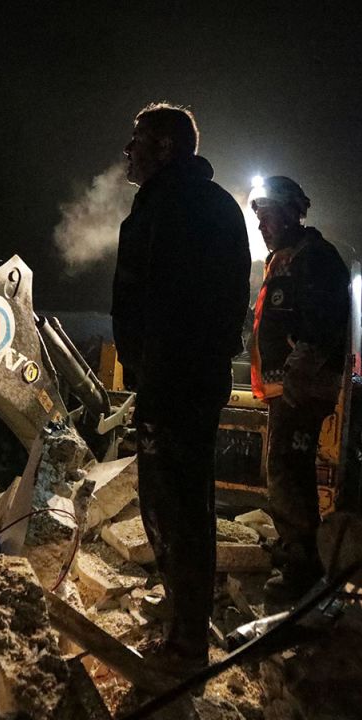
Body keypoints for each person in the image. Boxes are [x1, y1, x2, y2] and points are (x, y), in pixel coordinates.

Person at [112, 102, 250, 671]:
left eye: (138, 139)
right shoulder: (211, 206)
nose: (129, 150)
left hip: (173, 381)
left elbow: (167, 303)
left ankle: (189, 639)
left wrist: (154, 375)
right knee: (176, 498)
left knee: (177, 502)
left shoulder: (173, 207)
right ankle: (183, 615)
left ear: (165, 147)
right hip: (184, 378)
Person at [248, 175, 351, 601]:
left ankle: (300, 570)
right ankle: (297, 554)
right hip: (286, 389)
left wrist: (297, 373)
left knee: (289, 476)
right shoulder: (287, 259)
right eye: (259, 218)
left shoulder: (315, 259)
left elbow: (321, 326)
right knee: (285, 473)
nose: (262, 226)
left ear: (291, 212)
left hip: (300, 390)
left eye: (267, 216)